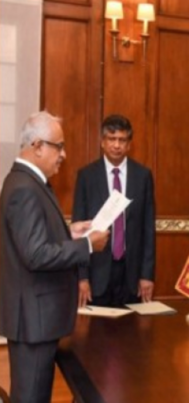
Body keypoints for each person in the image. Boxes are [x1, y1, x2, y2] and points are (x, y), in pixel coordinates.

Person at [0, 111, 110, 403]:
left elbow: (34, 239)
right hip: (33, 320)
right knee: (31, 397)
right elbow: (36, 254)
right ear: (37, 146)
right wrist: (86, 245)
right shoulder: (24, 188)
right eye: (58, 146)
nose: (64, 154)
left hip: (37, 318)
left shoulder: (28, 182)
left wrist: (70, 232)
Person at [72, 114, 156, 307]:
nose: (116, 145)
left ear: (129, 144)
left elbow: (148, 229)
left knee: (132, 325)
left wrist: (147, 274)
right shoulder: (86, 176)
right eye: (111, 139)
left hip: (132, 274)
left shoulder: (142, 176)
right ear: (102, 142)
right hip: (97, 273)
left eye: (122, 140)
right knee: (97, 326)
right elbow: (80, 232)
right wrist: (82, 277)